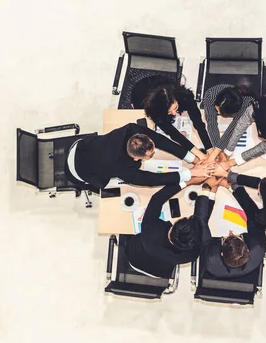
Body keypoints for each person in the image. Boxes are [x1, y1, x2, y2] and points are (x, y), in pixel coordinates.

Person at [64, 123, 214, 190]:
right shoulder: (123, 169)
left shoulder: (132, 130)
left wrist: (193, 158)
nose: (154, 152)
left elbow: (162, 141)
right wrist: (191, 173)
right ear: (136, 159)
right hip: (79, 170)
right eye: (151, 155)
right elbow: (152, 179)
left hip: (82, 145)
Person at [125, 177, 218, 278]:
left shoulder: (151, 232)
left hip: (135, 257)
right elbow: (202, 222)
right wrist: (213, 190)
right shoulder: (192, 254)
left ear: (175, 222)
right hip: (159, 271)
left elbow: (157, 199)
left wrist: (188, 181)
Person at [131, 75, 213, 159]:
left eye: (176, 108)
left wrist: (209, 147)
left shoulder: (186, 97)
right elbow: (174, 134)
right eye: (169, 112)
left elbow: (198, 122)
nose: (174, 113)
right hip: (140, 95)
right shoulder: (155, 110)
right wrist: (199, 154)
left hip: (156, 84)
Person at [199, 178, 266, 278]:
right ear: (247, 249)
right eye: (236, 236)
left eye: (228, 237)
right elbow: (253, 214)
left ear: (221, 253)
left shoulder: (210, 258)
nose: (231, 233)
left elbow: (200, 221)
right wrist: (233, 187)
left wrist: (207, 189)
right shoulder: (258, 248)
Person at [201, 84, 257, 151]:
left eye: (221, 112)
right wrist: (217, 149)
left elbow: (233, 127)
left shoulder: (247, 103)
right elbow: (211, 123)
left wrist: (218, 150)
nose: (218, 113)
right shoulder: (211, 95)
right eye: (216, 109)